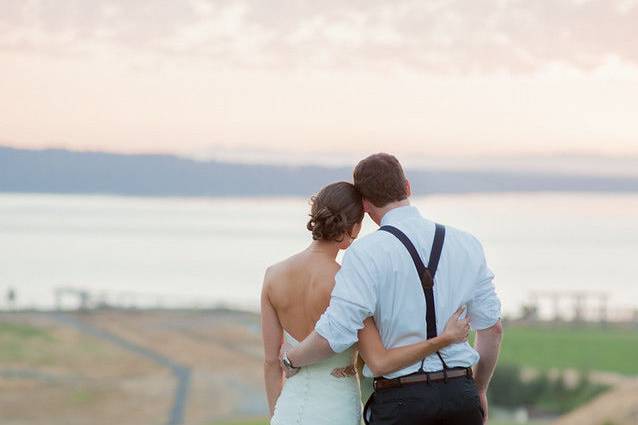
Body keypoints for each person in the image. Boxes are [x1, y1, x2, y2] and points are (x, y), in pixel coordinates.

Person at [282, 153, 503, 425]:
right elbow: (492, 330)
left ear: (364, 204)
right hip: (461, 397)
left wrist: (292, 360)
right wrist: (478, 388)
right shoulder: (467, 244)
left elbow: (336, 332)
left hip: (401, 403)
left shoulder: (364, 254)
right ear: (407, 187)